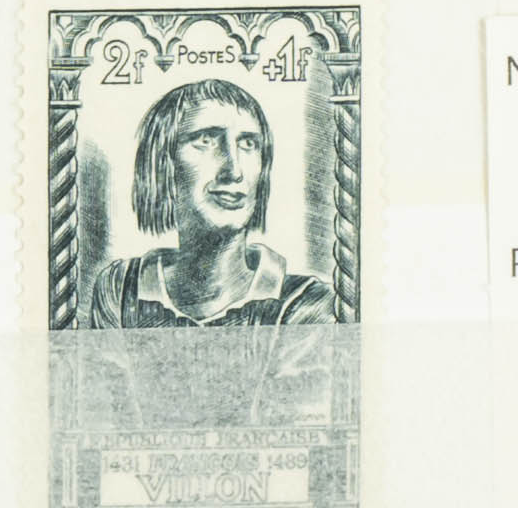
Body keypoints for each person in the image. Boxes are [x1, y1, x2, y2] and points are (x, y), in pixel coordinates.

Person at [80, 74, 337, 327]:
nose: (234, 170)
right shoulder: (121, 289)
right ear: (162, 164)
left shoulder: (308, 303)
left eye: (248, 143)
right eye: (206, 140)